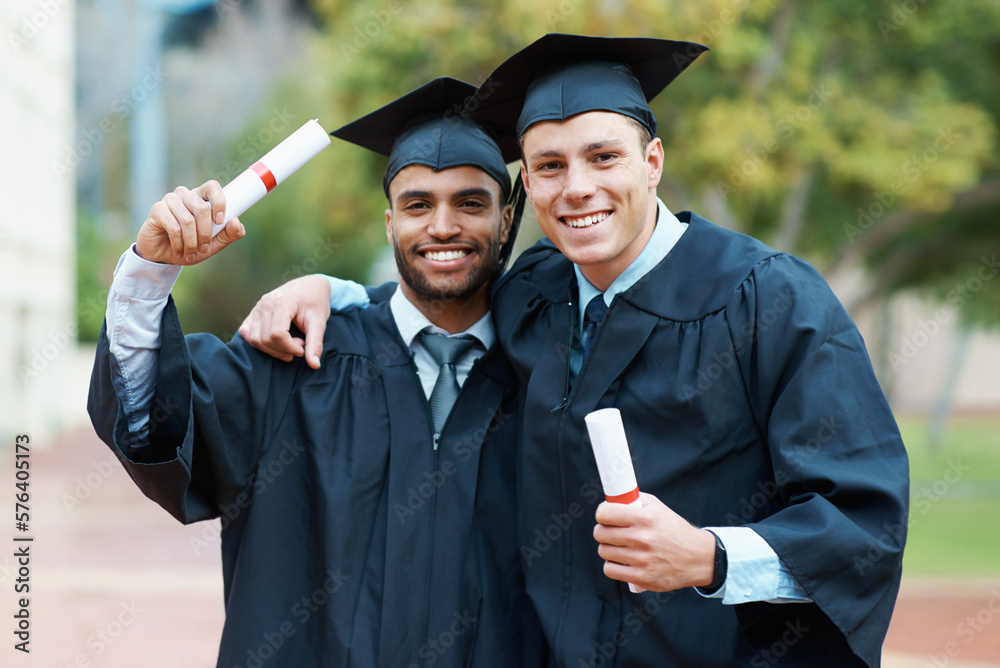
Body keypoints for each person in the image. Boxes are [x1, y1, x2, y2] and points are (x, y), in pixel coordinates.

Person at [241, 35, 909, 667]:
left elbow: (864, 525)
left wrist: (709, 556)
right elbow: (444, 289)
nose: (578, 187)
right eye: (550, 166)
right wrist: (330, 287)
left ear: (652, 163)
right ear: (527, 188)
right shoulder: (535, 294)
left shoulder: (767, 299)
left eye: (604, 157)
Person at [87, 77, 545, 668]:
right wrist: (147, 275)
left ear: (507, 222)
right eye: (417, 204)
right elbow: (155, 422)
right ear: (388, 225)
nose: (442, 226)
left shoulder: (549, 372)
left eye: (470, 203)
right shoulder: (296, 361)